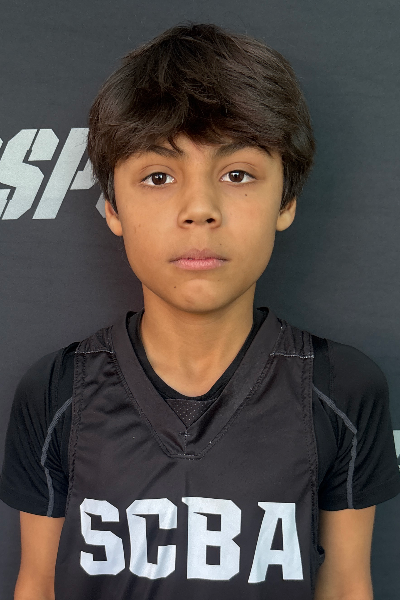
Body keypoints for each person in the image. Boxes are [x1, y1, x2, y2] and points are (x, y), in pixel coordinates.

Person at [1, 22, 399, 600]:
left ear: (286, 199)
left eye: (237, 174)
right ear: (112, 207)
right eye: (159, 176)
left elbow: (344, 586)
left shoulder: (341, 389)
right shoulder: (57, 391)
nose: (199, 209)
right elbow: (38, 584)